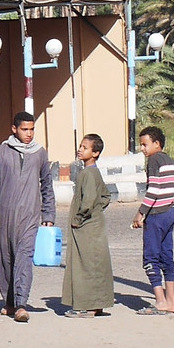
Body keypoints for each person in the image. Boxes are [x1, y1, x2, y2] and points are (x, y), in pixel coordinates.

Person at [0, 112, 57, 323]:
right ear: (14, 129)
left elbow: (47, 185)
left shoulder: (40, 154)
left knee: (24, 259)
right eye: (25, 129)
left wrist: (48, 214)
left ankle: (21, 304)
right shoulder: (0, 152)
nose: (29, 134)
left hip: (30, 217)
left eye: (32, 129)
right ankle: (9, 302)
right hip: (5, 217)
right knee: (6, 260)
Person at [131, 125, 174, 315]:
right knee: (167, 257)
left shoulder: (154, 160)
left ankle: (160, 301)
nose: (143, 149)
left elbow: (153, 190)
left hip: (155, 216)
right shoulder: (171, 161)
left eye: (145, 145)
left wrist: (141, 213)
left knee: (150, 258)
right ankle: (172, 301)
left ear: (157, 143)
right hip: (170, 213)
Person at [61, 133, 115, 318]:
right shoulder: (92, 172)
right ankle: (97, 305)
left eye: (85, 147)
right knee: (95, 264)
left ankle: (89, 307)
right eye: (80, 146)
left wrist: (80, 218)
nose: (80, 150)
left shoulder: (87, 173)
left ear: (96, 153)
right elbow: (105, 197)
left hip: (86, 228)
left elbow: (88, 201)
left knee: (86, 265)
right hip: (93, 226)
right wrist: (97, 211)